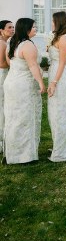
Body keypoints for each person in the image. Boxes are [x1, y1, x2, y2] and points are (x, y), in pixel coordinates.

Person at [4, 17, 44, 163]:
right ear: (26, 29)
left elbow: (10, 62)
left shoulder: (12, 42)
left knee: (14, 117)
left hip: (11, 82)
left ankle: (12, 153)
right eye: (34, 27)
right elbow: (33, 66)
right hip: (23, 85)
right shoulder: (27, 45)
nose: (36, 29)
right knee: (25, 117)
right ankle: (24, 156)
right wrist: (41, 83)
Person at [46, 10, 66, 162]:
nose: (51, 23)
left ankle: (64, 150)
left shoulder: (65, 39)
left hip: (61, 78)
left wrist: (54, 82)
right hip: (55, 75)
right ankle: (59, 143)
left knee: (61, 112)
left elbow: (63, 62)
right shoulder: (57, 37)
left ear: (59, 23)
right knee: (54, 113)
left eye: (53, 21)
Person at [0, 18, 11, 159]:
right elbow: (2, 64)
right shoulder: (2, 43)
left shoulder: (6, 42)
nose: (12, 30)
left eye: (13, 27)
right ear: (1, 30)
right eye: (9, 27)